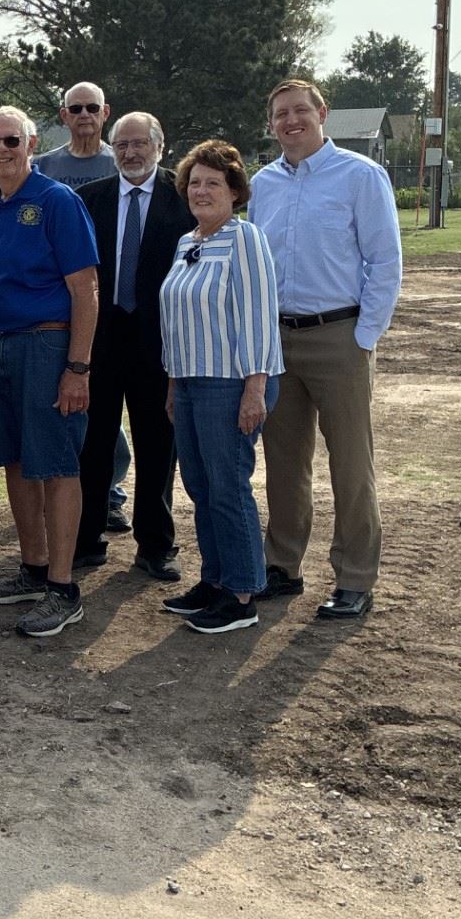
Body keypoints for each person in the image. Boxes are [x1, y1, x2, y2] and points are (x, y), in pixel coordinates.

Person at [0, 108, 99, 640]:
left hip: (47, 346)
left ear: (31, 143)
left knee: (55, 464)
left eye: (11, 140)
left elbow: (85, 291)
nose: (2, 149)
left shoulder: (58, 202)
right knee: (13, 460)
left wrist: (77, 367)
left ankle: (62, 587)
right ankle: (32, 567)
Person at [249, 77, 403, 620]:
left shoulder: (360, 176)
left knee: (351, 465)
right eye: (280, 114)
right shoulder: (262, 184)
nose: (291, 121)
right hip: (278, 339)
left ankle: (356, 577)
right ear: (270, 125)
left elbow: (385, 262)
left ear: (322, 114)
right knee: (284, 463)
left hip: (340, 335)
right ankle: (282, 567)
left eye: (300, 111)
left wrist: (364, 337)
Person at [158, 140, 283, 635]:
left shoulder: (245, 238)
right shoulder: (187, 242)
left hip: (231, 383)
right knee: (200, 485)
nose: (201, 191)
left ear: (234, 192)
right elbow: (175, 320)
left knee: (228, 486)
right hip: (188, 382)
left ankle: (243, 591)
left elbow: (258, 318)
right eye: (194, 183)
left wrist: (255, 389)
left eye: (213, 183)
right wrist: (172, 384)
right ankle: (214, 581)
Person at [73, 113, 195, 581]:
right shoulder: (90, 200)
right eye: (121, 145)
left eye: (139, 143)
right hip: (100, 343)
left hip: (161, 345)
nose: (130, 153)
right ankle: (86, 539)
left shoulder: (183, 200)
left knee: (158, 446)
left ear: (160, 147)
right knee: (93, 444)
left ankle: (156, 544)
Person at [34, 79, 128, 529]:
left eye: (92, 107)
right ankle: (71, 493)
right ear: (63, 115)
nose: (85, 115)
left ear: (105, 111)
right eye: (77, 108)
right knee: (71, 402)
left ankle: (109, 489)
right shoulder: (45, 166)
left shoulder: (122, 160)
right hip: (61, 302)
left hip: (114, 300)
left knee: (108, 408)